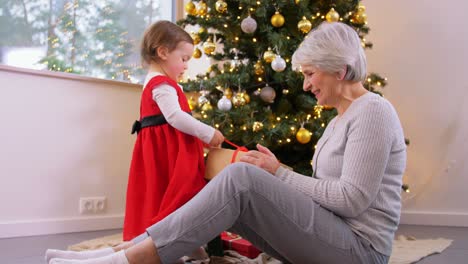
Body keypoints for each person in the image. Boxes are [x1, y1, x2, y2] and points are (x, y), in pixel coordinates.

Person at [46, 21, 406, 264]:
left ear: (339, 71)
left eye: (311, 74)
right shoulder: (340, 119)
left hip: (361, 252)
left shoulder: (372, 112)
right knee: (237, 185)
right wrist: (275, 175)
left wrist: (279, 174)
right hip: (335, 237)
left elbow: (351, 199)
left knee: (242, 180)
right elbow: (327, 190)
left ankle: (126, 260)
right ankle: (125, 250)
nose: (306, 85)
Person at [45, 20, 224, 263]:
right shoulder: (162, 84)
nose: (186, 65)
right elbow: (174, 117)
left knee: (174, 207)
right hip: (171, 159)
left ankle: (185, 250)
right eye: (183, 58)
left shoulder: (156, 81)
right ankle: (185, 249)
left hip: (164, 153)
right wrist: (208, 133)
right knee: (181, 203)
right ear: (162, 52)